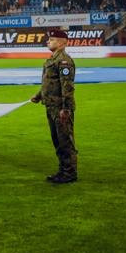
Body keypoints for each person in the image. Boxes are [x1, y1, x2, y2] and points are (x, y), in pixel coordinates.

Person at [30, 29, 77, 183]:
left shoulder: (64, 61)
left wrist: (66, 109)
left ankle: (69, 173)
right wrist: (38, 96)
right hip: (51, 106)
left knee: (65, 141)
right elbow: (49, 83)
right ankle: (63, 170)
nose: (48, 42)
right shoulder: (52, 59)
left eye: (52, 39)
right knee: (57, 141)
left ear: (62, 42)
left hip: (60, 108)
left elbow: (67, 87)